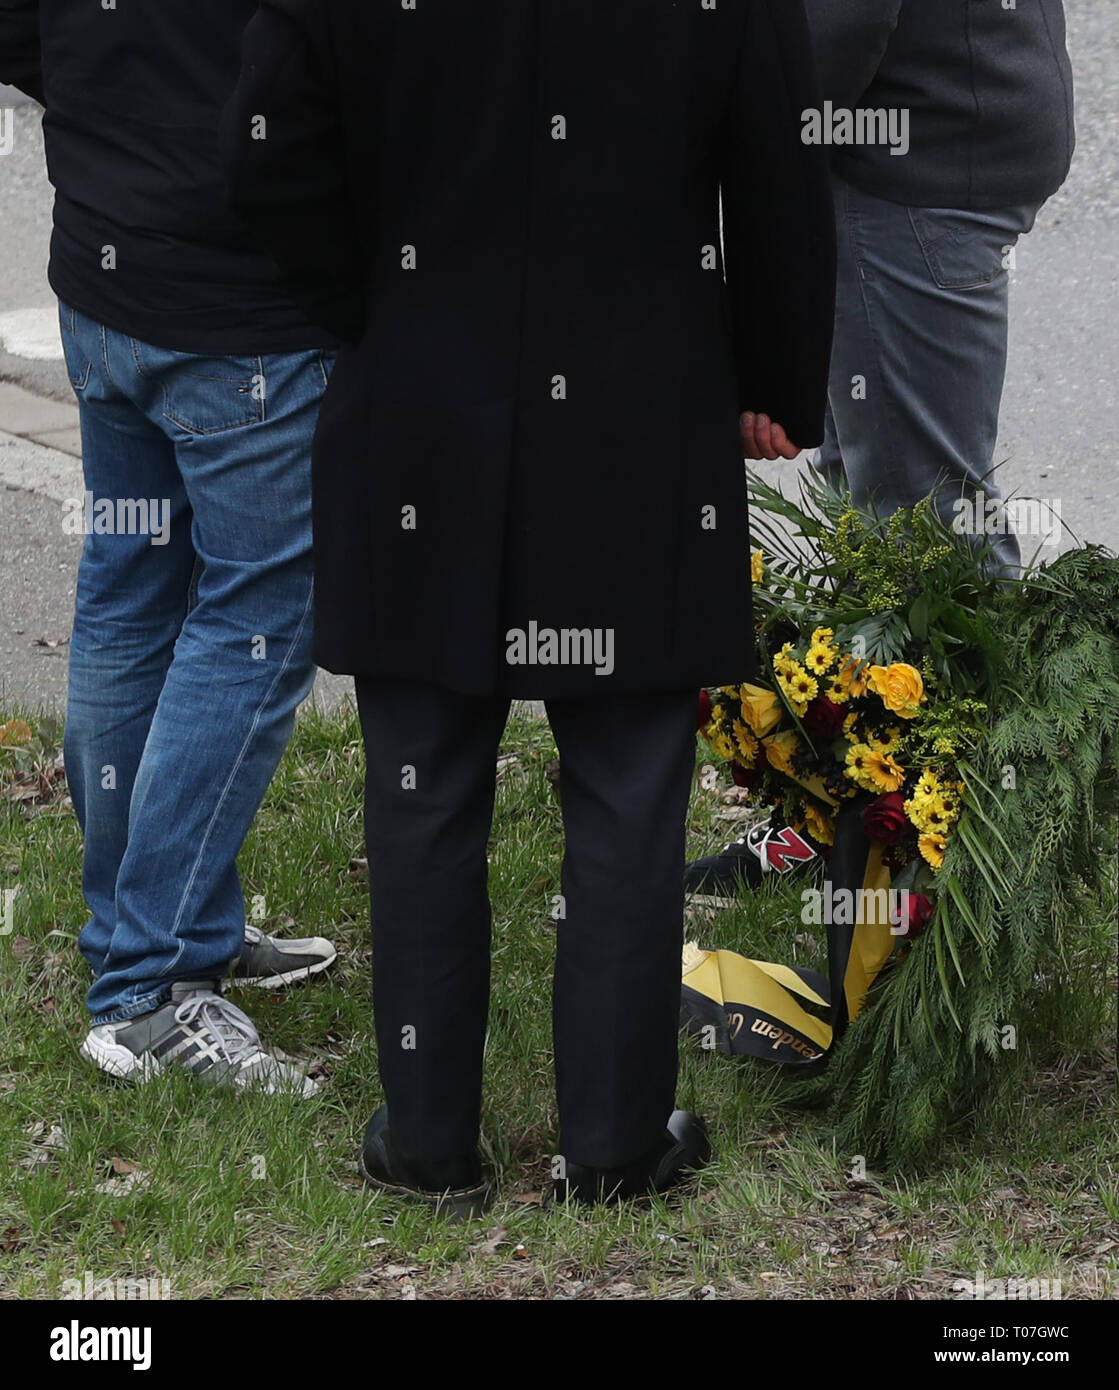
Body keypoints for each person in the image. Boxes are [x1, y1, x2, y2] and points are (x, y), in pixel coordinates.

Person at [221, 0, 836, 1210]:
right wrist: (772, 374)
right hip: (637, 405)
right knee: (626, 788)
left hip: (422, 398)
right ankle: (612, 1145)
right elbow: (778, 168)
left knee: (421, 782)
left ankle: (431, 1141)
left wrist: (380, 309)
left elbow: (262, 151)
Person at [0, 0, 339, 1094]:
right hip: (234, 295)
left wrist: (117, 127)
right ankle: (147, 986)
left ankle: (168, 927)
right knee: (255, 618)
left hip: (108, 263)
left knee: (132, 595)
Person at [803, 0, 1075, 571]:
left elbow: (845, 17)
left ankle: (964, 659)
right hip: (964, 113)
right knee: (873, 493)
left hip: (914, 160)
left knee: (929, 535)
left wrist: (770, 137)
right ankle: (850, 652)